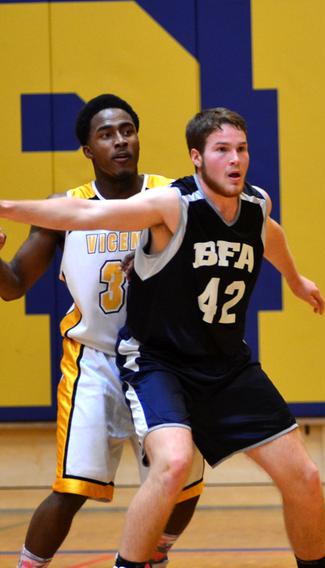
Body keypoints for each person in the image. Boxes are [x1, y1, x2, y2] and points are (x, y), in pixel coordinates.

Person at [0, 107, 325, 568]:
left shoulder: (242, 202)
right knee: (135, 474)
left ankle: (160, 551)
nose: (235, 159)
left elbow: (268, 232)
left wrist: (296, 280)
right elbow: (72, 217)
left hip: (222, 362)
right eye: (222, 151)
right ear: (197, 158)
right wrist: (6, 207)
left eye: (241, 149)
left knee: (292, 476)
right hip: (140, 359)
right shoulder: (170, 203)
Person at [0, 94, 203, 568]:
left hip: (160, 359)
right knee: (71, 489)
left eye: (127, 130)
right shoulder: (64, 209)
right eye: (106, 134)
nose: (120, 141)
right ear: (88, 149)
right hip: (94, 360)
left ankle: (154, 550)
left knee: (187, 480)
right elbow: (12, 286)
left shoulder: (169, 197)